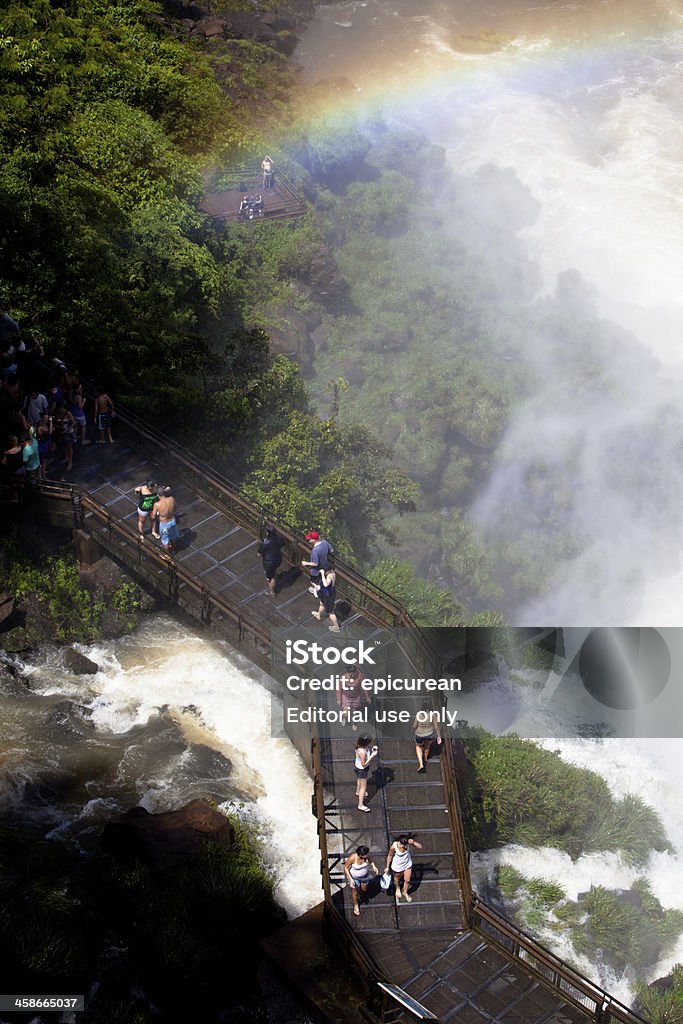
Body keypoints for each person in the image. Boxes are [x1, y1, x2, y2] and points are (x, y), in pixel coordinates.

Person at [386, 833, 422, 904]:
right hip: (397, 865)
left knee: (407, 880)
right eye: (401, 844)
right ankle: (398, 888)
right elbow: (390, 855)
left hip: (407, 864)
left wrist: (413, 842)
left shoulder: (407, 843)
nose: (402, 846)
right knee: (397, 878)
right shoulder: (394, 846)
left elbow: (420, 847)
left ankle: (405, 892)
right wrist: (387, 866)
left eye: (404, 844)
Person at [344, 846, 378, 917]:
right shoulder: (353, 858)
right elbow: (346, 868)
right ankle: (356, 905)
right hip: (354, 878)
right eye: (365, 855)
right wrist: (350, 879)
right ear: (360, 855)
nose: (367, 855)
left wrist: (374, 867)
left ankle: (362, 895)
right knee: (355, 892)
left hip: (365, 877)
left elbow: (371, 860)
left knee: (364, 889)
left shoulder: (366, 855)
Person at [336, 665, 371, 730]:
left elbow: (364, 687)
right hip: (346, 696)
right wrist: (339, 699)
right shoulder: (343, 678)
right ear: (348, 673)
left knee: (355, 713)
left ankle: (354, 724)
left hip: (356, 697)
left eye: (355, 674)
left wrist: (367, 697)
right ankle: (344, 719)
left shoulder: (360, 676)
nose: (353, 676)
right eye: (351, 675)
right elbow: (339, 688)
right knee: (346, 713)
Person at [413, 699, 442, 773]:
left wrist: (411, 728)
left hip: (419, 734)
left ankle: (421, 764)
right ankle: (425, 758)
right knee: (427, 746)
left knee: (418, 746)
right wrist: (438, 736)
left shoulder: (419, 714)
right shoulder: (433, 715)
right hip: (429, 734)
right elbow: (436, 727)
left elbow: (414, 726)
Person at [311, 566, 340, 632]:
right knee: (322, 603)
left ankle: (336, 627)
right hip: (327, 593)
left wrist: (322, 574)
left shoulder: (329, 577)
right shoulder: (332, 572)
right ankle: (318, 614)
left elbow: (326, 584)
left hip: (328, 596)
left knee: (330, 612)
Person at [257, 525, 285, 595]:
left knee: (270, 578)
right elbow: (282, 544)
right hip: (278, 559)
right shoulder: (279, 539)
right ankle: (274, 575)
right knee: (273, 571)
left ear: (267, 533)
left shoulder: (265, 543)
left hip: (269, 563)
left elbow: (259, 554)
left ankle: (272, 591)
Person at [152, 486, 179, 557]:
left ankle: (167, 554)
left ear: (158, 495)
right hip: (172, 521)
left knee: (165, 540)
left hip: (164, 524)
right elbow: (176, 506)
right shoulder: (171, 499)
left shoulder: (157, 504)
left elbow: (153, 516)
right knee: (173, 536)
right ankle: (173, 549)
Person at [354, 735, 378, 812]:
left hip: (357, 768)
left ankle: (358, 791)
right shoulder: (362, 752)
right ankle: (360, 805)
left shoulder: (359, 747)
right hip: (362, 770)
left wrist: (372, 750)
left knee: (359, 780)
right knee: (363, 787)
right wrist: (372, 755)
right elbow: (363, 764)